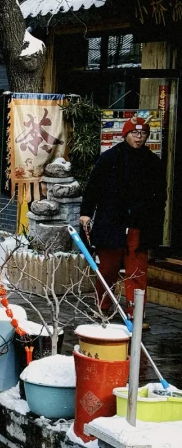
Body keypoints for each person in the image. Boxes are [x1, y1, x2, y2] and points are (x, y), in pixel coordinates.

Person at [79, 116, 165, 316]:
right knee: (108, 269)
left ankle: (135, 313)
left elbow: (160, 199)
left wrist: (155, 229)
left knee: (137, 271)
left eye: (143, 133)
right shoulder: (110, 157)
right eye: (134, 133)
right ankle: (103, 307)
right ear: (125, 134)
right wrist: (86, 213)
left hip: (139, 225)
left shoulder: (153, 162)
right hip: (111, 222)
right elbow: (93, 187)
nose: (139, 137)